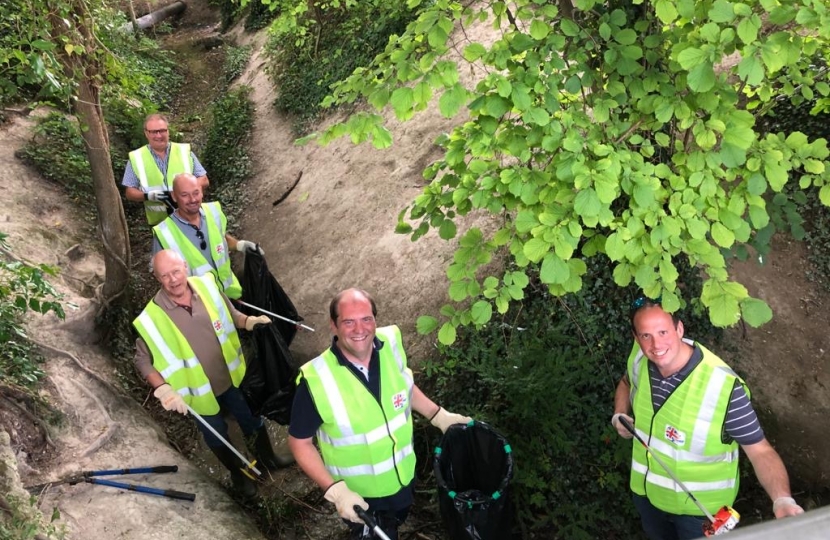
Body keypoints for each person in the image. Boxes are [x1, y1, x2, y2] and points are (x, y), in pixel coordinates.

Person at [612, 297, 804, 540]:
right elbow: (626, 381)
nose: (656, 344)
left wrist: (782, 499)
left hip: (700, 515)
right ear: (636, 337)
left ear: (679, 329)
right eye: (646, 335)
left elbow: (760, 451)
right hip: (647, 496)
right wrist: (620, 413)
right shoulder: (639, 359)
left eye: (662, 332)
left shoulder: (723, 388)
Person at [288, 288, 472, 540]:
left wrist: (438, 415)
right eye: (348, 322)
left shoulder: (391, 342)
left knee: (397, 520)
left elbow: (404, 385)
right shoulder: (316, 380)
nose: (359, 329)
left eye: (366, 319)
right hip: (361, 500)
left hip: (404, 477)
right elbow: (300, 443)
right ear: (334, 325)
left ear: (375, 319)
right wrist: (335, 491)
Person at [133, 250, 293, 499]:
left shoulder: (207, 286)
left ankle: (267, 458)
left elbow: (232, 315)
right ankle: (239, 477)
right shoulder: (151, 318)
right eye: (165, 276)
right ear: (157, 278)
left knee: (251, 417)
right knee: (216, 434)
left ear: (185, 266)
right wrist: (163, 389)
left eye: (176, 271)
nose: (173, 280)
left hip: (230, 378)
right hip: (196, 394)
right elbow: (142, 360)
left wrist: (249, 321)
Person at [151, 172, 262, 300]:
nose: (192, 199)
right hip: (205, 305)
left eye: (196, 193)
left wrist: (239, 245)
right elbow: (164, 277)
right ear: (174, 196)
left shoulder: (213, 212)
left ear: (202, 192)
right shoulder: (164, 234)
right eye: (185, 195)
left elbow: (220, 237)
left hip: (234, 295)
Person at [122, 113, 209, 225]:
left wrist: (183, 191)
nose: (158, 135)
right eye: (154, 132)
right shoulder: (137, 158)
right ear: (146, 133)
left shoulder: (184, 151)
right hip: (160, 223)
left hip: (190, 217)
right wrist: (150, 196)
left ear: (168, 131)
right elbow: (130, 192)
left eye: (162, 130)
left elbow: (204, 180)